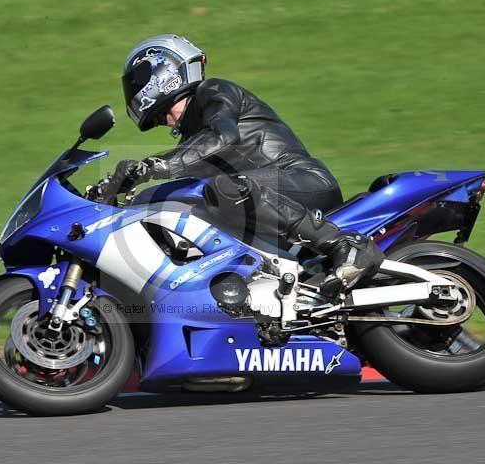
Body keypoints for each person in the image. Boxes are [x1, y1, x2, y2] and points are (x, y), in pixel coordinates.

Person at [110, 34, 383, 296]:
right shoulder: (191, 141)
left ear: (164, 74)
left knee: (224, 187)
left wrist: (152, 166)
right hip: (266, 201)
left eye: (161, 113)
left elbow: (223, 137)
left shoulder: (213, 91)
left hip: (302, 180)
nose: (163, 121)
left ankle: (344, 245)